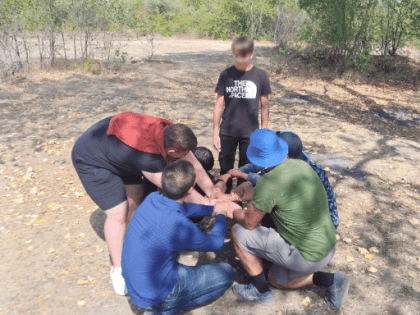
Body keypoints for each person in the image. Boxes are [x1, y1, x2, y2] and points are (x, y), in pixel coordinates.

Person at [71, 112, 223, 296]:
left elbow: (190, 159)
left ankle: (132, 242)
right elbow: (181, 189)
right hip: (92, 160)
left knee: (134, 198)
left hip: (122, 153)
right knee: (118, 212)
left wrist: (211, 190)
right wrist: (212, 206)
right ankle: (118, 270)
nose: (184, 157)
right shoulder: (148, 155)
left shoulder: (170, 132)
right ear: (172, 152)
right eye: (179, 156)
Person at [229, 129, 350, 310]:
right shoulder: (302, 166)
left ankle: (260, 291)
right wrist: (251, 193)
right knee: (275, 279)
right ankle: (331, 279)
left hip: (306, 256)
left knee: (239, 232)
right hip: (328, 246)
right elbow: (282, 192)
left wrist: (232, 209)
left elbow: (249, 222)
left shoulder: (268, 182)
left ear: (258, 158)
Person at [121, 160, 240, 315]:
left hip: (137, 285)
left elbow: (184, 208)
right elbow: (216, 243)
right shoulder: (178, 224)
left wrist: (212, 208)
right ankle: (166, 308)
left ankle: (163, 305)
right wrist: (221, 214)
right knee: (227, 273)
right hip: (159, 292)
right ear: (191, 189)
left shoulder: (152, 198)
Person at [218, 131, 339, 228]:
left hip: (320, 223)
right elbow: (258, 165)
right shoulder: (292, 156)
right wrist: (233, 173)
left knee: (265, 198)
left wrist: (243, 176)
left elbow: (267, 182)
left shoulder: (305, 171)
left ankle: (273, 245)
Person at [213, 35, 271, 193]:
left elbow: (264, 105)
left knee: (245, 170)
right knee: (225, 167)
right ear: (233, 53)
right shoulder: (226, 75)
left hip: (250, 133)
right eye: (236, 56)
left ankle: (239, 199)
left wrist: (263, 131)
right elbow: (219, 103)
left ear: (251, 54)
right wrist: (215, 132)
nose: (239, 60)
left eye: (243, 56)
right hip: (227, 131)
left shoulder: (260, 76)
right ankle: (225, 200)